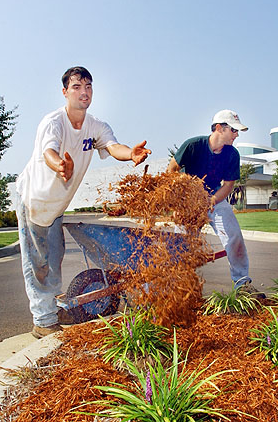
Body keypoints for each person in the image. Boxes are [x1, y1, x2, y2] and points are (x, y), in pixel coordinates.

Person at [16, 66, 151, 338]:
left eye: (88, 86)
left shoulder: (96, 126)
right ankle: (43, 321)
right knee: (38, 262)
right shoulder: (53, 122)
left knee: (54, 258)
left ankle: (52, 309)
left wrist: (130, 154)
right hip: (34, 199)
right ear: (65, 92)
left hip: (55, 206)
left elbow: (113, 146)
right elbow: (49, 152)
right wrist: (60, 166)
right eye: (77, 87)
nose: (84, 92)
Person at [167, 109, 264, 298]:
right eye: (234, 130)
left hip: (214, 199)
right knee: (181, 244)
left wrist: (211, 201)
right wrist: (177, 204)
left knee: (233, 235)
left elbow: (228, 185)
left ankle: (242, 284)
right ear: (219, 128)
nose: (236, 135)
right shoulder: (193, 145)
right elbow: (171, 171)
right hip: (187, 201)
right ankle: (180, 288)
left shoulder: (232, 154)